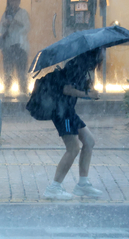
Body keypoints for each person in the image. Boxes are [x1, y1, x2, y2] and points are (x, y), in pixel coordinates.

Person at [43, 48, 104, 200]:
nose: (105, 55)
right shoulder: (76, 65)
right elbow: (66, 89)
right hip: (62, 112)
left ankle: (82, 184)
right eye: (103, 52)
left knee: (89, 141)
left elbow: (78, 86)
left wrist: (89, 88)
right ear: (95, 54)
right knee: (73, 148)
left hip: (68, 110)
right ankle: (54, 187)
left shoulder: (84, 67)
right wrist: (87, 95)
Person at [0, 0, 30, 95]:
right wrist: (4, 24)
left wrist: (17, 23)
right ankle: (7, 93)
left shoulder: (23, 12)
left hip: (20, 46)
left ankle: (23, 93)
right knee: (8, 72)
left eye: (15, 0)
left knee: (21, 73)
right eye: (11, 0)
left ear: (19, 1)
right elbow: (0, 29)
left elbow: (27, 27)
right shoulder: (6, 13)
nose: (13, 3)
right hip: (8, 47)